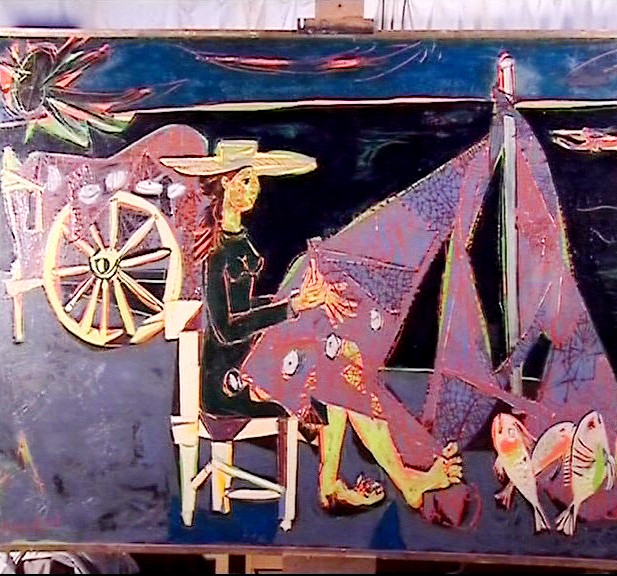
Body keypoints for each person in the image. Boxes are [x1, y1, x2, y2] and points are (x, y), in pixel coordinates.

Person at [160, 140, 464, 517]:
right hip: (228, 380)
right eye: (246, 181)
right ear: (224, 183)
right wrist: (294, 306)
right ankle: (382, 481)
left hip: (251, 356)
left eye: (256, 181)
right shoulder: (217, 251)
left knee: (341, 356)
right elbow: (225, 328)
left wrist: (304, 297)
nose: (254, 190)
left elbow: (244, 309)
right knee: (336, 370)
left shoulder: (238, 239)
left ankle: (351, 482)